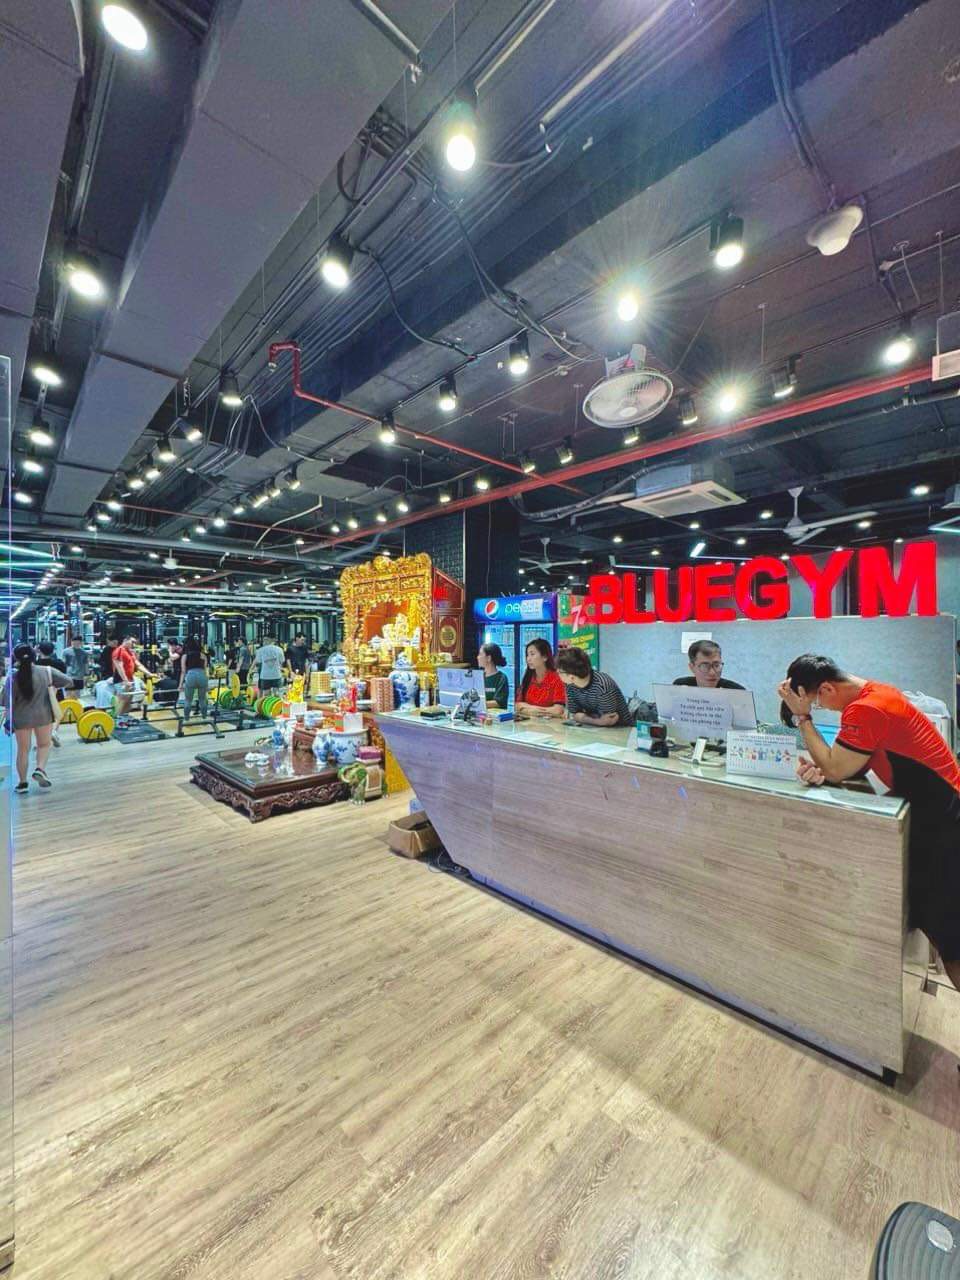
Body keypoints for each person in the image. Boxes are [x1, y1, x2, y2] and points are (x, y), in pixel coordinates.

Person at [778, 654, 960, 991]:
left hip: (942, 828)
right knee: (941, 931)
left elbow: (836, 767)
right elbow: (857, 767)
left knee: (952, 942)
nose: (823, 709)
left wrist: (803, 719)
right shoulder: (878, 693)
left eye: (817, 703)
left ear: (827, 688)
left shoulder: (865, 709)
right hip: (935, 817)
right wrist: (825, 772)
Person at [4, 644, 72, 792]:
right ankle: (40, 769)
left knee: (23, 750)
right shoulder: (47, 671)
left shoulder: (12, 678)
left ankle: (22, 783)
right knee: (44, 745)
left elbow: (5, 701)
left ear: (16, 659)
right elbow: (68, 681)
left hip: (21, 718)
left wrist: (8, 718)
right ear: (34, 656)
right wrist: (53, 687)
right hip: (43, 715)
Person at [556, 646, 631, 727]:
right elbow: (575, 715)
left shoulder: (602, 685)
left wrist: (585, 718)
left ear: (572, 677)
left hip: (621, 729)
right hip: (593, 727)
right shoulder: (570, 685)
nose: (557, 673)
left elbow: (609, 720)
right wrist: (598, 721)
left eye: (559, 671)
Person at [514, 639, 566, 719]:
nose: (528, 659)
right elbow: (518, 705)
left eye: (532, 654)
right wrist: (531, 710)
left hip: (550, 724)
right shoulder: (528, 677)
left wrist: (530, 709)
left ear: (545, 657)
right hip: (529, 723)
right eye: (527, 655)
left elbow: (558, 710)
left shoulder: (557, 678)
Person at [673, 639, 744, 690]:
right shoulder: (679, 687)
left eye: (716, 665)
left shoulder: (737, 692)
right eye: (705, 666)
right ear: (692, 667)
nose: (712, 673)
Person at [35, 640, 68, 745]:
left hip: (39, 692)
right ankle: (53, 731)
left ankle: (42, 738)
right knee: (57, 713)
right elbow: (63, 677)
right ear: (53, 651)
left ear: (39, 650)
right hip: (56, 690)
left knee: (41, 715)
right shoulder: (59, 663)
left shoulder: (35, 664)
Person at [179, 637, 209, 719]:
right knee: (202, 699)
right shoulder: (203, 655)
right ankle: (204, 717)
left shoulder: (185, 656)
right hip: (202, 675)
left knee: (188, 700)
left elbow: (183, 671)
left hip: (191, 676)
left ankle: (186, 718)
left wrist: (180, 685)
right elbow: (205, 670)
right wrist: (207, 683)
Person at [477, 642, 509, 709]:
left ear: (489, 658)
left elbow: (499, 702)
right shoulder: (478, 677)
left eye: (480, 654)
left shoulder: (501, 678)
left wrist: (478, 704)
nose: (478, 657)